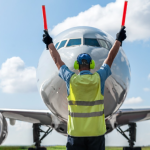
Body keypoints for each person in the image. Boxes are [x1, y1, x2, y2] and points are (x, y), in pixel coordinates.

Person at [42, 26, 126, 150]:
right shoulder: (99, 78)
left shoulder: (71, 79)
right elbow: (110, 58)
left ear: (77, 65)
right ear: (91, 65)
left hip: (76, 134)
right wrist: (118, 41)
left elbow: (57, 60)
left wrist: (49, 44)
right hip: (96, 134)